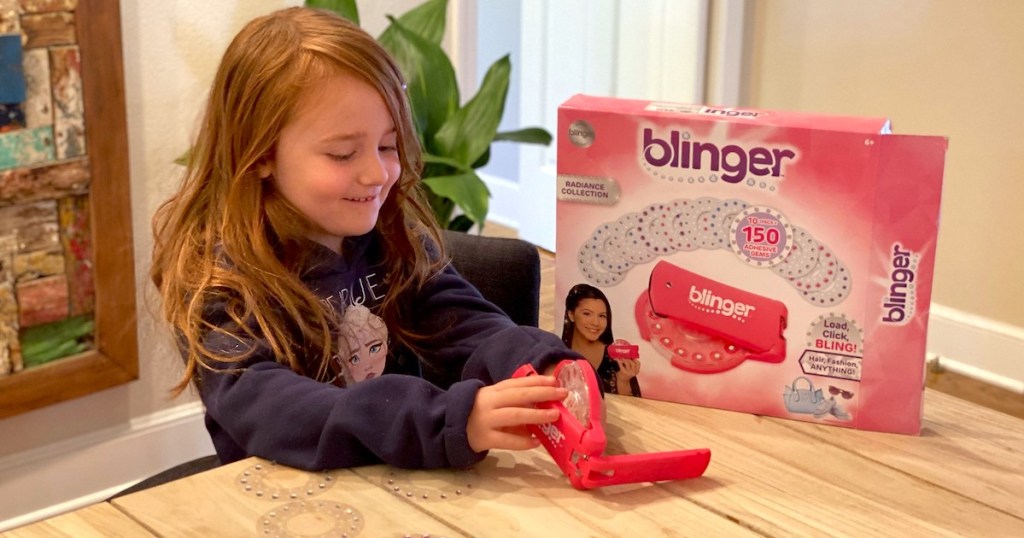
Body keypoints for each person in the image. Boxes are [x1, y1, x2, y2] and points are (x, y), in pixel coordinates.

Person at [149, 7, 578, 472]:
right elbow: (267, 408)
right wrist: (443, 421)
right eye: (342, 153)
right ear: (259, 154)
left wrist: (542, 366)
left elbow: (460, 319)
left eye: (388, 145)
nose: (377, 173)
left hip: (400, 484)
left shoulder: (392, 238)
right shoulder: (220, 276)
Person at [561, 284, 642, 397]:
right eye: (587, 314)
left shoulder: (614, 359)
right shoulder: (558, 353)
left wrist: (623, 380)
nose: (595, 323)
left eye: (602, 316)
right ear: (571, 315)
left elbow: (630, 407)